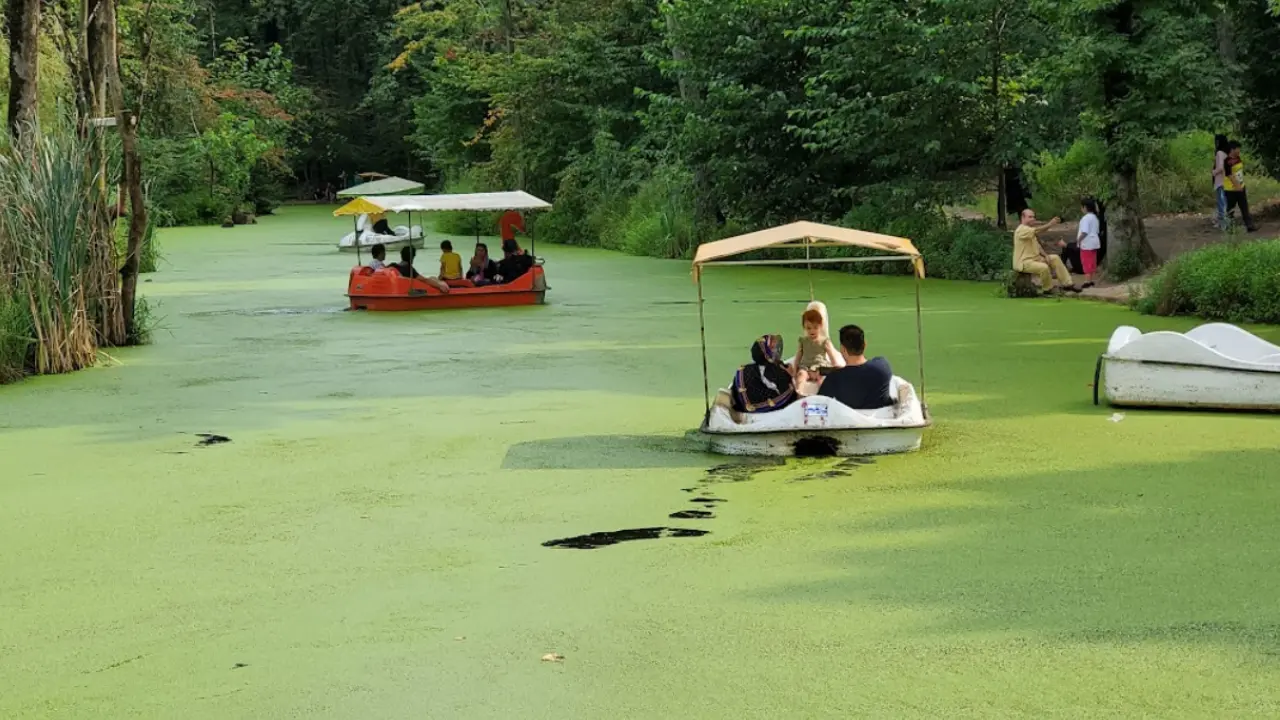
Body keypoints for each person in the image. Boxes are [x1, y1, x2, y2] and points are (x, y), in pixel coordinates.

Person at [817, 325, 895, 410]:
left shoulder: (835, 378)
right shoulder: (883, 365)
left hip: (852, 419)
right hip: (882, 417)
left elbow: (818, 408)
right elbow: (861, 372)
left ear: (843, 349)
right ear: (864, 344)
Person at [1013, 209, 1079, 295]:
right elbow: (1038, 230)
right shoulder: (1021, 230)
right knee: (1044, 267)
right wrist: (1050, 224)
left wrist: (1045, 255)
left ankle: (1067, 284)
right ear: (1023, 217)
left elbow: (1037, 245)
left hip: (1035, 259)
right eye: (1030, 217)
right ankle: (1047, 289)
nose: (1033, 219)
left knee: (1055, 258)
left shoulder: (1029, 230)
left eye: (1033, 217)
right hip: (1024, 262)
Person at [729, 335, 796, 413]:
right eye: (772, 347)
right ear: (766, 354)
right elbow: (786, 390)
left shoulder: (756, 366)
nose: (778, 348)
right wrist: (790, 375)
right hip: (756, 403)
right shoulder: (771, 371)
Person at [791, 301, 844, 396]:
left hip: (820, 367)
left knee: (822, 379)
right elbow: (798, 356)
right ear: (804, 327)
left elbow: (832, 356)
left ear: (821, 326)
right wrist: (795, 370)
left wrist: (836, 367)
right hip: (805, 367)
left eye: (815, 327)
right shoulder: (803, 341)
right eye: (808, 328)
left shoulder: (825, 341)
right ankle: (799, 393)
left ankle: (823, 395)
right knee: (801, 376)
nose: (812, 331)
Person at [1223, 141, 1259, 233]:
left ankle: (1249, 225)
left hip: (1241, 186)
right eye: (1238, 149)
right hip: (1231, 189)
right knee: (1230, 209)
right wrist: (1237, 186)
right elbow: (1229, 175)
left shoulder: (1238, 158)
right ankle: (1229, 227)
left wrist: (1241, 185)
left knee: (1244, 207)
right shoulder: (1227, 161)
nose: (1239, 151)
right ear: (1232, 149)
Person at [1077, 198, 1102, 288]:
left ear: (1085, 207)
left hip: (1087, 243)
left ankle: (1087, 281)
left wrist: (1079, 240)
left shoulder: (1086, 218)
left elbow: (1084, 231)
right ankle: (1090, 279)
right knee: (1092, 261)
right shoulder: (1095, 218)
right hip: (1094, 242)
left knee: (1086, 261)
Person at [1213, 134, 1230, 230]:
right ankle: (1221, 223)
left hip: (1220, 181)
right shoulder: (1226, 153)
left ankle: (1224, 224)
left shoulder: (1219, 153)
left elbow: (1220, 167)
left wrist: (1213, 172)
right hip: (1227, 181)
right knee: (1224, 202)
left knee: (1221, 203)